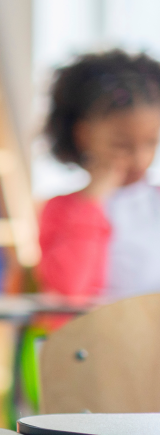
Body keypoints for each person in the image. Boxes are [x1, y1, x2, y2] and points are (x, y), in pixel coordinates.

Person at [38, 50, 160, 299]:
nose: (139, 159)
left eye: (151, 143)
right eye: (121, 145)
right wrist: (90, 204)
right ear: (84, 136)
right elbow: (69, 290)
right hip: (95, 335)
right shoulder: (61, 210)